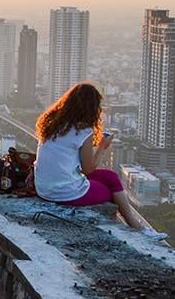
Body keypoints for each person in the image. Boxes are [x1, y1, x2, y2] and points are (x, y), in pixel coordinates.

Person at [34, 83, 167, 240]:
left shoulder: (52, 124)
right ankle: (131, 231)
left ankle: (134, 228)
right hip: (64, 192)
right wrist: (103, 146)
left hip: (43, 187)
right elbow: (89, 169)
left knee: (111, 177)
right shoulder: (83, 130)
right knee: (109, 192)